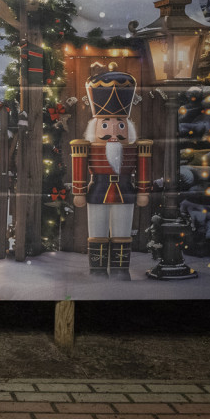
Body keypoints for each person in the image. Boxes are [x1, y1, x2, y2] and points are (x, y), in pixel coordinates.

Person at [70, 68, 153, 280]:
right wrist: (78, 191)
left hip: (125, 192)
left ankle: (120, 270)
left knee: (122, 233)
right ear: (95, 126)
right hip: (98, 191)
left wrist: (143, 191)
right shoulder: (86, 147)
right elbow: (79, 166)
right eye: (106, 124)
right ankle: (97, 271)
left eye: (120, 125)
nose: (113, 132)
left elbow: (143, 168)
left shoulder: (136, 148)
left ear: (128, 127)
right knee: (96, 231)